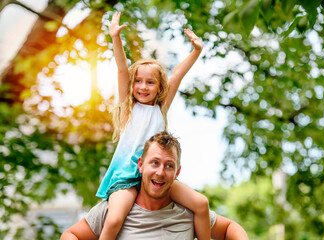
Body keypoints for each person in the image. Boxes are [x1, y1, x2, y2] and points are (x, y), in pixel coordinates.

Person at [95, 12, 210, 240]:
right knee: (115, 219)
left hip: (155, 175)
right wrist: (115, 37)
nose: (143, 87)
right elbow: (121, 69)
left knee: (201, 204)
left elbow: (177, 74)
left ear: (159, 88)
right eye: (138, 81)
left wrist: (196, 51)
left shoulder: (160, 110)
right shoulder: (128, 110)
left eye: (150, 82)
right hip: (127, 177)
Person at [61, 131, 248, 240]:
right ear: (141, 165)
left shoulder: (188, 212)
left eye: (169, 166)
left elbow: (230, 228)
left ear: (177, 172)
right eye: (155, 163)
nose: (160, 172)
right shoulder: (112, 210)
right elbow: (70, 235)